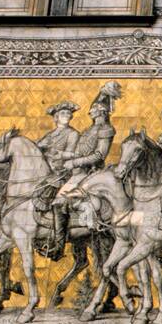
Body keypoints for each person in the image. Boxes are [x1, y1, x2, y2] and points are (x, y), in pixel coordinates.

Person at [51, 83, 119, 258]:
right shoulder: (89, 130)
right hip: (75, 172)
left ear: (103, 111)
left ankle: (58, 246)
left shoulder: (106, 130)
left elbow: (99, 155)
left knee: (59, 203)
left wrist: (74, 163)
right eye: (93, 107)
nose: (92, 110)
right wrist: (63, 156)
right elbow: (79, 152)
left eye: (95, 108)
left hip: (89, 174)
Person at [32, 100, 81, 257]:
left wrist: (58, 154)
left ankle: (58, 246)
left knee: (58, 205)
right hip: (49, 173)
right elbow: (36, 147)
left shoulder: (73, 134)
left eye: (68, 114)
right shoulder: (51, 135)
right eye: (62, 114)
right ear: (56, 118)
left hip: (65, 174)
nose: (66, 116)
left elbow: (73, 153)